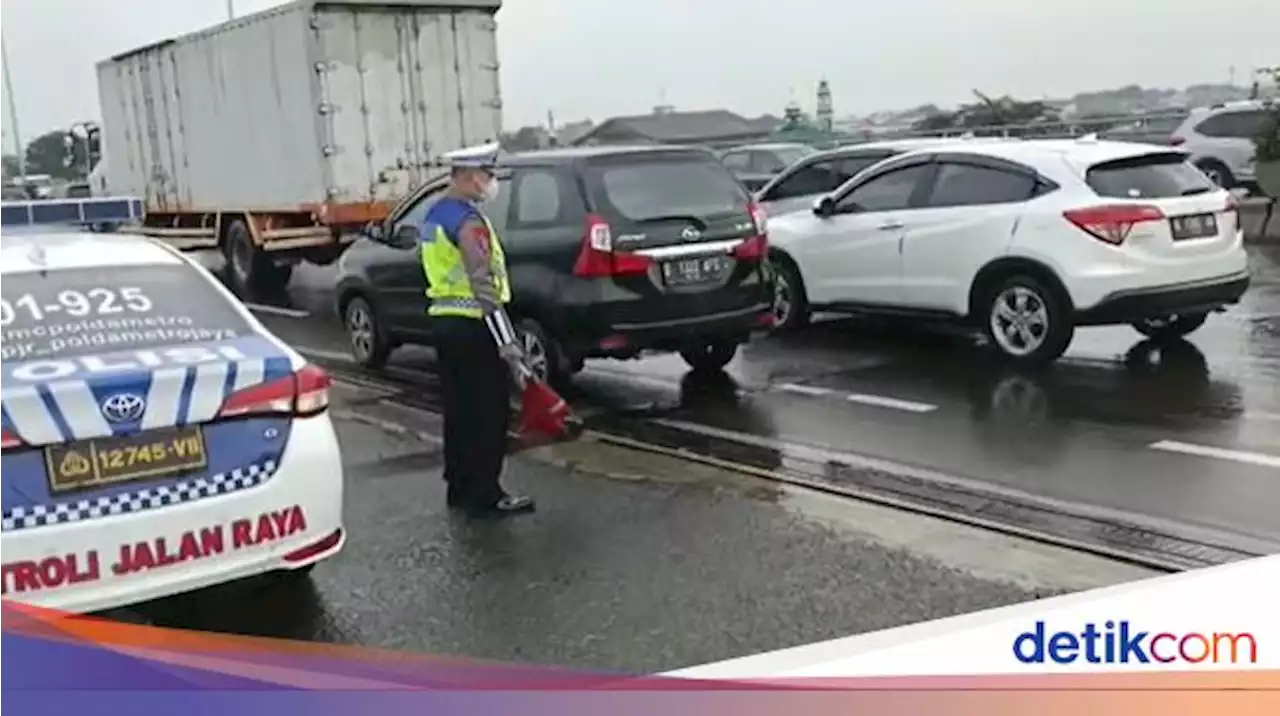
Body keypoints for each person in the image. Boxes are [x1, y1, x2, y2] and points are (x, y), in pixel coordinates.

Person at [419, 141, 535, 517]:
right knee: (488, 413)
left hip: (444, 323)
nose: (491, 183)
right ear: (469, 177)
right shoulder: (468, 223)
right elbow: (483, 285)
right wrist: (508, 345)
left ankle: (459, 486)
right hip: (474, 326)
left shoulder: (436, 215)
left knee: (458, 411)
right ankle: (487, 493)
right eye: (487, 175)